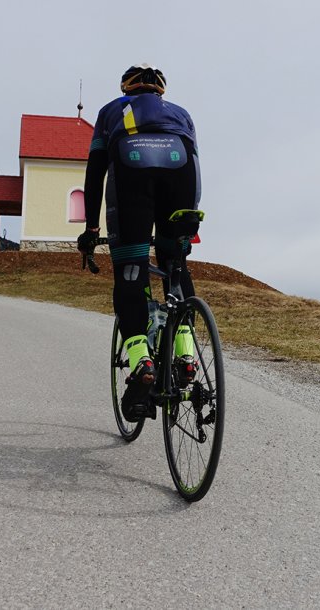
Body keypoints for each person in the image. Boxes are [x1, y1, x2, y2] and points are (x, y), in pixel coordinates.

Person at [78, 64, 201, 421]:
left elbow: (95, 171)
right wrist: (188, 218)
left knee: (131, 273)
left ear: (126, 88)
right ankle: (187, 357)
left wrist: (89, 228)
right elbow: (195, 161)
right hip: (182, 178)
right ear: (160, 90)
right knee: (175, 267)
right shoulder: (181, 114)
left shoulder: (110, 112)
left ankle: (142, 362)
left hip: (132, 172)